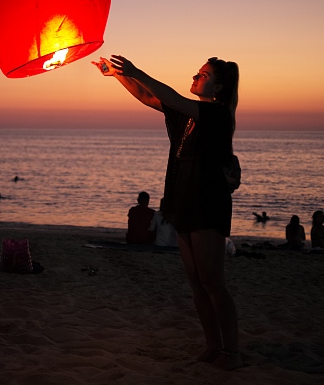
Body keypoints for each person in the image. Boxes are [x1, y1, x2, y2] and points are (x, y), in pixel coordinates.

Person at [95, 54, 241, 370]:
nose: (196, 77)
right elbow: (148, 96)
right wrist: (118, 75)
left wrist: (136, 70)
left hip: (207, 203)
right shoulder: (186, 115)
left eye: (203, 75)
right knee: (196, 283)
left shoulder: (217, 114)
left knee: (213, 282)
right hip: (182, 201)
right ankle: (213, 345)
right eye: (198, 72)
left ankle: (231, 351)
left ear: (219, 86)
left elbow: (171, 97)